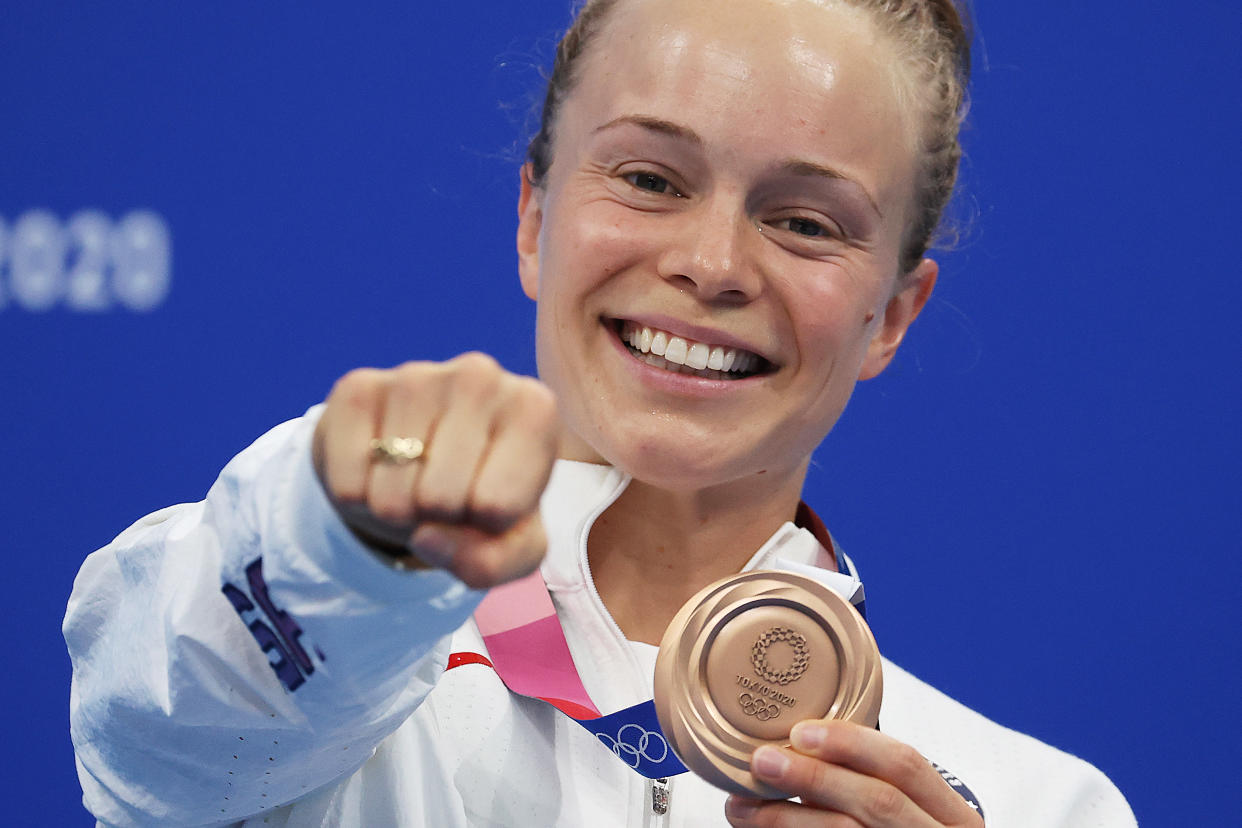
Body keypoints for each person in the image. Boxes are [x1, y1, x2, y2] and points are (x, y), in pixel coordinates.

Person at [65, 0, 1136, 825]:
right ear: (535, 218)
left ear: (893, 315)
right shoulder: (327, 683)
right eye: (651, 178)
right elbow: (156, 725)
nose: (713, 265)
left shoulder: (1038, 805)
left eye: (806, 220)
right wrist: (349, 532)